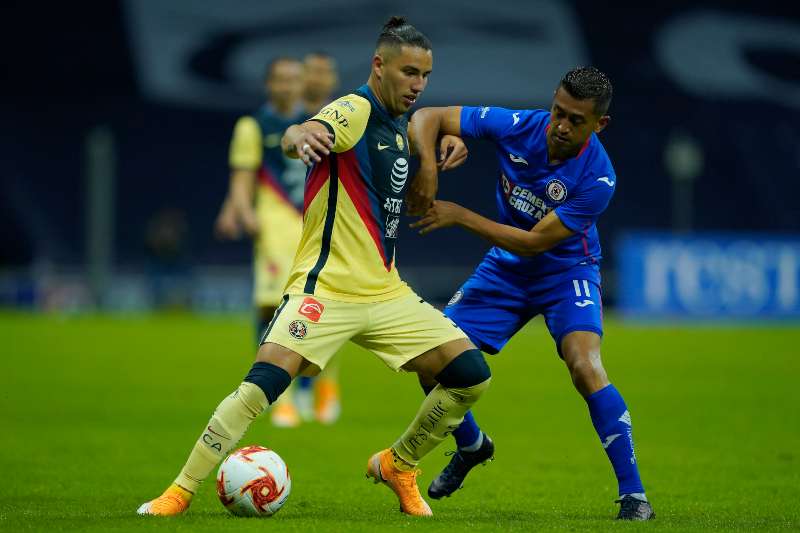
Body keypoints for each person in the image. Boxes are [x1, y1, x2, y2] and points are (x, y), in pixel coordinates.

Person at [137, 16, 486, 518]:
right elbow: (307, 130)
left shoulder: (398, 127)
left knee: (470, 374)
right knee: (260, 386)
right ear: (378, 65)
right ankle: (179, 491)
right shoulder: (354, 108)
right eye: (409, 72)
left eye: (425, 75)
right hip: (325, 292)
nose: (418, 85)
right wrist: (299, 136)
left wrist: (438, 149)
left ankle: (400, 464)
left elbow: (401, 174)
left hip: (387, 293)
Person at [407, 66, 655, 521]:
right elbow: (427, 117)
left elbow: (535, 242)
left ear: (599, 125)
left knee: (585, 365)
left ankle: (634, 495)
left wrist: (459, 214)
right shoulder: (521, 125)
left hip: (566, 271)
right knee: (430, 356)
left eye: (575, 120)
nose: (560, 125)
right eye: (558, 111)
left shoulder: (598, 179)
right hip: (506, 269)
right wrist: (429, 164)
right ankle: (473, 446)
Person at [214, 55, 342, 427]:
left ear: (303, 82)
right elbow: (244, 175)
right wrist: (240, 209)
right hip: (274, 225)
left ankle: (319, 387)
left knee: (322, 308)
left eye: (293, 79)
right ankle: (279, 393)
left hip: (316, 224)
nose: (287, 86)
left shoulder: (319, 122)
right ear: (269, 84)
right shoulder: (254, 125)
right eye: (280, 80)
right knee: (272, 308)